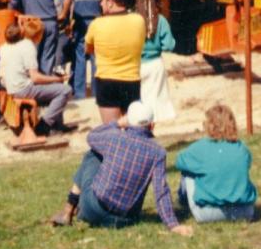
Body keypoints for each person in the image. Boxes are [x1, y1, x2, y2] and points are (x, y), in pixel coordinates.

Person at [50, 100, 192, 233]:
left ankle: (68, 209)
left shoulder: (114, 138)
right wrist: (173, 225)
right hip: (125, 219)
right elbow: (161, 192)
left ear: (127, 120)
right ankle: (73, 209)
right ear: (152, 125)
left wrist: (117, 123)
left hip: (93, 210)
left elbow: (91, 137)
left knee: (92, 154)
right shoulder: (158, 153)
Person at [175, 104, 257, 222]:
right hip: (244, 211)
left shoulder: (200, 148)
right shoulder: (242, 148)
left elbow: (179, 161)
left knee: (188, 170)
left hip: (208, 213)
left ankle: (183, 203)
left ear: (209, 125)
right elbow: (247, 164)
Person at [84, 0, 146, 123]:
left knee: (111, 131)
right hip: (131, 81)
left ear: (111, 2)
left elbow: (87, 49)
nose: (100, 4)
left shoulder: (96, 24)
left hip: (107, 81)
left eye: (102, 0)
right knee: (132, 128)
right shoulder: (139, 20)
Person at [0, 20, 72, 133]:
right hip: (23, 89)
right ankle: (45, 124)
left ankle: (57, 125)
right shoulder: (28, 46)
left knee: (53, 86)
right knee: (65, 90)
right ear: (39, 35)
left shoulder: (10, 46)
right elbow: (35, 78)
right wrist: (59, 79)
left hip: (12, 88)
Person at [9, 0, 70, 74]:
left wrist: (20, 17)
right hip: (51, 24)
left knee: (32, 56)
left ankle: (35, 83)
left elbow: (11, 8)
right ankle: (45, 82)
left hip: (33, 26)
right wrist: (63, 14)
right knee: (48, 57)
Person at [135, 0, 176, 124]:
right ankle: (155, 123)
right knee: (156, 97)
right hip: (155, 64)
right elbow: (169, 45)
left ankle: (142, 121)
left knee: (142, 96)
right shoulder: (161, 20)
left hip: (137, 65)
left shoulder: (133, 20)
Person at [68, 0, 104, 101]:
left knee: (80, 58)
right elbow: (104, 3)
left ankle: (79, 93)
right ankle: (96, 92)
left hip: (80, 23)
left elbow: (68, 4)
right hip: (96, 23)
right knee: (96, 57)